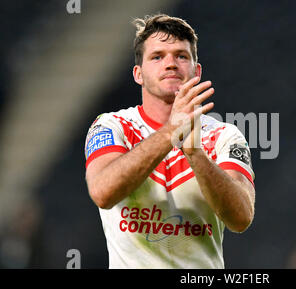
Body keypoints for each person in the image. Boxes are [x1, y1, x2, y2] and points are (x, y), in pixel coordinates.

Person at [84, 14, 255, 269]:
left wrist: (196, 155)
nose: (171, 63)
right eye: (157, 56)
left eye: (181, 56)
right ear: (138, 74)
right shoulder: (111, 125)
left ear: (196, 71)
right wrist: (171, 132)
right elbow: (102, 192)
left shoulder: (224, 136)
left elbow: (241, 218)